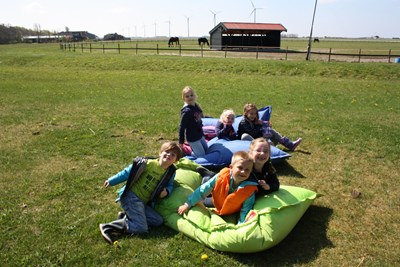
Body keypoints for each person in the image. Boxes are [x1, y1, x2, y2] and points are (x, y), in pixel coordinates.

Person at [99, 141, 183, 244]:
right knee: (141, 228)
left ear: (176, 160)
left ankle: (125, 218)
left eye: (173, 154)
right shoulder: (147, 164)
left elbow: (170, 185)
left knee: (158, 221)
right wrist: (112, 181)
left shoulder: (171, 172)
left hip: (143, 202)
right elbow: (127, 172)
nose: (169, 155)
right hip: (131, 197)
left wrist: (167, 192)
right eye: (167, 151)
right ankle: (108, 227)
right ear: (160, 152)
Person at [178, 151, 258, 224]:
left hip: (230, 208)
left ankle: (209, 175)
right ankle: (208, 175)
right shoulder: (221, 177)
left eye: (247, 170)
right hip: (217, 201)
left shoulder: (249, 189)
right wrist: (188, 204)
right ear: (231, 167)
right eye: (240, 168)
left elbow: (246, 209)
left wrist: (241, 224)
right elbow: (204, 189)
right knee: (201, 200)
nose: (243, 171)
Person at [237, 103, 302, 151]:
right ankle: (267, 147)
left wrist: (265, 125)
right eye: (251, 114)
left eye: (255, 114)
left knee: (271, 130)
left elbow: (260, 131)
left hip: (258, 138)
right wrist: (261, 125)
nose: (253, 116)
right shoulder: (243, 122)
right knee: (244, 136)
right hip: (249, 141)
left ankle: (290, 145)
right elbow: (253, 133)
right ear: (245, 113)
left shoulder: (255, 120)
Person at [178, 86, 208, 157]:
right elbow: (182, 127)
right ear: (184, 99)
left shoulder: (196, 106)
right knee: (201, 155)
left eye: (191, 95)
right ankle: (187, 150)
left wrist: (202, 133)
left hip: (199, 135)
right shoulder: (186, 111)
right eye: (187, 96)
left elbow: (199, 120)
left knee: (207, 151)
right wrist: (181, 141)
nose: (190, 97)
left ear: (195, 96)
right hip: (192, 138)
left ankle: (194, 148)